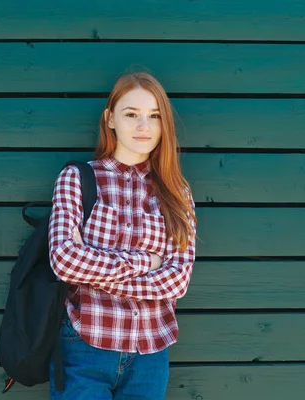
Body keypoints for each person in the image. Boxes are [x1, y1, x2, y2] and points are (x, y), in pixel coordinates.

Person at [47, 71, 197, 399]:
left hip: (150, 354)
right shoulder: (76, 179)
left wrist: (97, 275)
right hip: (85, 345)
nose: (144, 126)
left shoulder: (177, 191)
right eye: (131, 114)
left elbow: (177, 281)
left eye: (154, 116)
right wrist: (144, 262)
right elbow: (64, 261)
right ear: (110, 118)